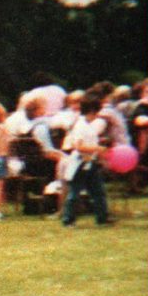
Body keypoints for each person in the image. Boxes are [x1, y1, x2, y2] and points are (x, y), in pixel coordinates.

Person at [61, 93, 111, 227]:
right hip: (80, 164)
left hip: (90, 163)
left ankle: (102, 218)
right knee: (74, 193)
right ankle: (68, 219)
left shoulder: (89, 125)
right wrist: (98, 148)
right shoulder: (80, 125)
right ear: (92, 111)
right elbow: (79, 146)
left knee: (98, 192)